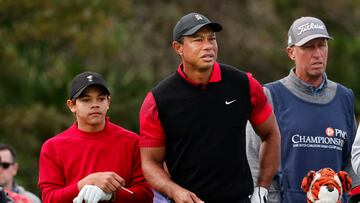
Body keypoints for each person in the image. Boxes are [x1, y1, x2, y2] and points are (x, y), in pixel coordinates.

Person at [139, 12, 281, 203]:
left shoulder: (244, 84)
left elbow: (271, 133)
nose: (207, 46)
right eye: (197, 40)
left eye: (211, 39)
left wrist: (262, 188)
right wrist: (175, 191)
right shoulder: (158, 101)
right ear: (178, 48)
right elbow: (150, 163)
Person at [246, 16, 358, 203]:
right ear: (291, 52)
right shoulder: (269, 95)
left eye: (322, 45)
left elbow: (352, 160)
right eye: (308, 47)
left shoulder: (344, 97)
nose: (317, 53)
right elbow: (253, 159)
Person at [38, 71, 153, 203]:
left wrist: (112, 195)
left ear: (108, 102)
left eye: (101, 98)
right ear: (72, 105)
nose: (95, 104)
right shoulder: (53, 147)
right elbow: (49, 198)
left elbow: (146, 195)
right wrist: (85, 183)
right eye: (86, 100)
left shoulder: (132, 141)